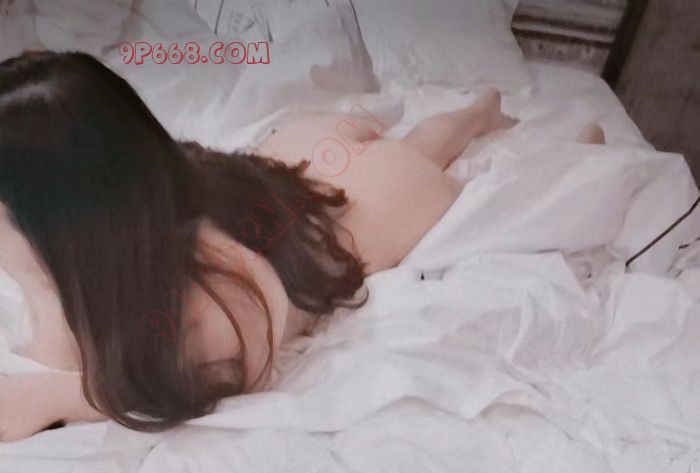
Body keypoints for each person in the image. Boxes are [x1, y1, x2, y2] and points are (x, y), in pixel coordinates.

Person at [0, 50, 529, 441]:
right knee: (339, 147)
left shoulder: (208, 302)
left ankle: (477, 112)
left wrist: (60, 397)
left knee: (419, 151)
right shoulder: (66, 263)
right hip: (264, 186)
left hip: (359, 210)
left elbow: (214, 380)